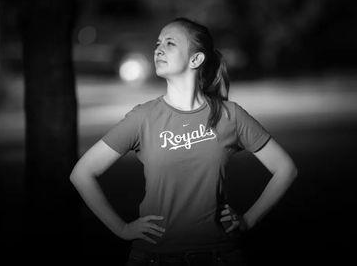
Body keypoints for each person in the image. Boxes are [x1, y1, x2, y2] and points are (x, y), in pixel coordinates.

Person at [70, 17, 298, 266]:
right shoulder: (143, 117)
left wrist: (248, 220)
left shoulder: (229, 115)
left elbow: (285, 169)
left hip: (219, 256)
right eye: (158, 43)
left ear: (196, 59)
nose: (158, 49)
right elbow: (82, 173)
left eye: (170, 43)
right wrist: (122, 229)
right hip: (153, 258)